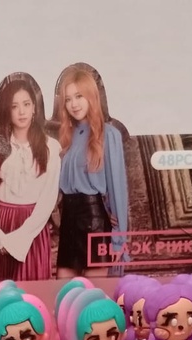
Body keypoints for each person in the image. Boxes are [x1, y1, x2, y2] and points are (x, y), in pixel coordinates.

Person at [53, 66, 128, 278]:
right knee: (63, 289)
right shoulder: (67, 137)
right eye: (68, 99)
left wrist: (118, 239)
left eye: (79, 96)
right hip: (69, 220)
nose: (73, 104)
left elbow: (118, 189)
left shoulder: (109, 134)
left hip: (94, 220)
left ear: (91, 97)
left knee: (91, 293)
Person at [0, 76, 61, 281]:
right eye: (14, 106)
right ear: (6, 111)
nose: (21, 112)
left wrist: (18, 239)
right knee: (1, 292)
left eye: (26, 104)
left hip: (32, 227)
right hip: (0, 223)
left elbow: (47, 200)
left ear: (34, 108)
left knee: (31, 292)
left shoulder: (50, 147)